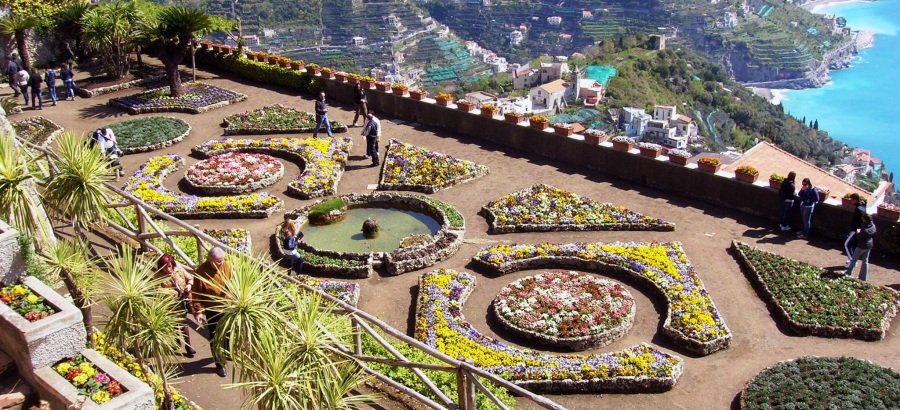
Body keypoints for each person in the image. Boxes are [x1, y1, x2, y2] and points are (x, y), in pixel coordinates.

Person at [190, 247, 232, 378]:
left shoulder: (226, 265)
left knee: (228, 332)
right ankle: (219, 364)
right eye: (218, 261)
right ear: (210, 260)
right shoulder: (201, 272)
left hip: (228, 306)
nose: (221, 263)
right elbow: (196, 294)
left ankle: (226, 352)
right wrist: (198, 312)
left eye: (222, 260)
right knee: (215, 337)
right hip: (212, 309)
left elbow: (233, 281)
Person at [156, 254, 197, 358]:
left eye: (169, 266)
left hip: (183, 300)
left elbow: (190, 278)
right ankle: (176, 341)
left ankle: (188, 346)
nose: (168, 269)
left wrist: (189, 285)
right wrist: (174, 293)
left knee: (183, 323)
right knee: (174, 323)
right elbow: (158, 291)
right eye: (165, 267)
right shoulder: (158, 276)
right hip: (170, 304)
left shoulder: (178, 269)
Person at [844, 213, 876, 281]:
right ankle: (863, 277)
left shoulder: (864, 229)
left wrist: (858, 232)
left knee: (854, 260)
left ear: (865, 219)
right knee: (865, 261)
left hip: (861, 246)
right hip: (869, 245)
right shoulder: (873, 226)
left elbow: (860, 239)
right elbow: (874, 234)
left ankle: (848, 273)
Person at [843, 193, 867, 267]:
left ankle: (852, 261)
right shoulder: (862, 206)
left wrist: (857, 230)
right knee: (853, 245)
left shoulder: (859, 210)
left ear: (855, 200)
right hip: (857, 230)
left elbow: (862, 221)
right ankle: (852, 260)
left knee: (847, 244)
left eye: (852, 200)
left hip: (855, 230)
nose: (851, 201)